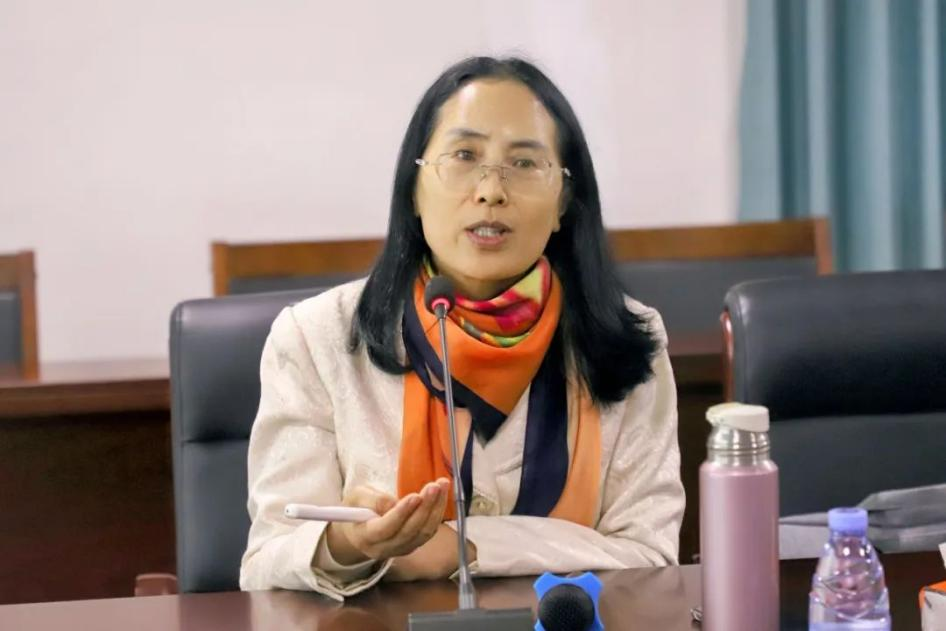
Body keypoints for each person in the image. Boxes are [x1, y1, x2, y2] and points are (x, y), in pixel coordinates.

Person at [239, 56, 684, 601]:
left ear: (564, 202)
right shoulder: (316, 338)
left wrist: (461, 547)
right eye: (465, 156)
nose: (491, 190)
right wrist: (349, 545)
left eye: (524, 163)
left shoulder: (629, 338)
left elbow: (651, 556)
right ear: (414, 188)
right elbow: (268, 561)